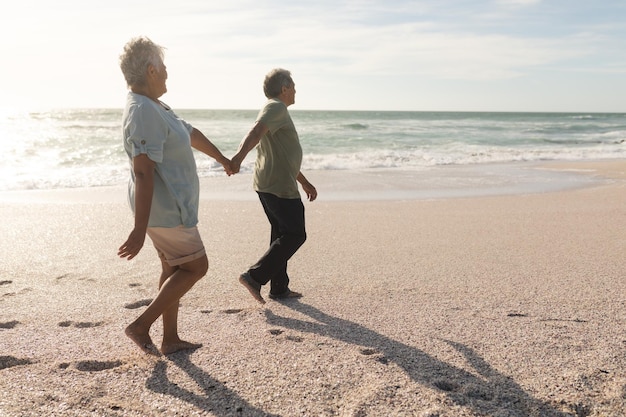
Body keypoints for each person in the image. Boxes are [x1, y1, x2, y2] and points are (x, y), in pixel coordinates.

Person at [117, 36, 233, 355]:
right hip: (166, 210)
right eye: (164, 68)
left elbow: (189, 132)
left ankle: (170, 339)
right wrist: (139, 230)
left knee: (173, 268)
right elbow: (143, 171)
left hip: (164, 209)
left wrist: (223, 159)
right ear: (152, 70)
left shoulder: (154, 105)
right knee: (196, 266)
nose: (168, 74)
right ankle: (140, 326)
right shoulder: (143, 111)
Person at [231, 68, 317, 304]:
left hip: (271, 181)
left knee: (280, 234)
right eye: (294, 86)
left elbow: (284, 155)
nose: (296, 90)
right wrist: (238, 158)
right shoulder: (275, 107)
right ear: (285, 88)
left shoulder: (275, 110)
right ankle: (255, 276)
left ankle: (279, 288)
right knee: (295, 234)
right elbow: (256, 131)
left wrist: (305, 182)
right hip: (278, 185)